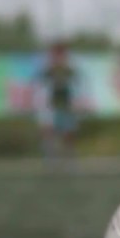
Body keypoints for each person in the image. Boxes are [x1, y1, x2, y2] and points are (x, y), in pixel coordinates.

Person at [36, 40, 79, 168]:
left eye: (61, 53)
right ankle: (50, 160)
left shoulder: (68, 68)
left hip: (66, 105)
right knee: (49, 132)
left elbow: (75, 79)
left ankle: (69, 160)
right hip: (52, 106)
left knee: (68, 133)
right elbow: (42, 80)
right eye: (57, 53)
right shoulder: (49, 69)